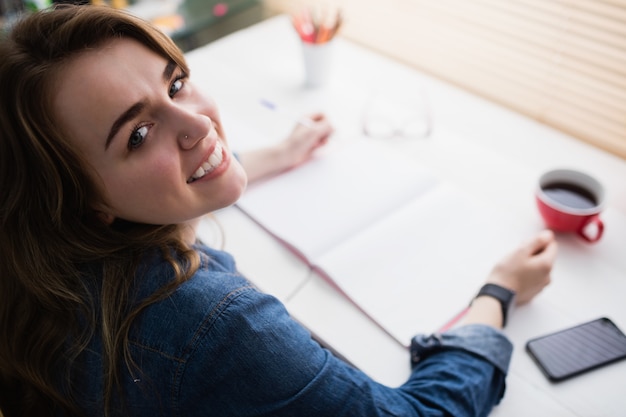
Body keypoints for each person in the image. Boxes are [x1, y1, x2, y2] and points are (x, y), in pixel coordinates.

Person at [0, 5, 558, 417]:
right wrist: (497, 297)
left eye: (177, 83)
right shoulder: (214, 325)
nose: (198, 124)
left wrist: (272, 156)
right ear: (75, 197)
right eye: (139, 134)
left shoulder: (35, 258)